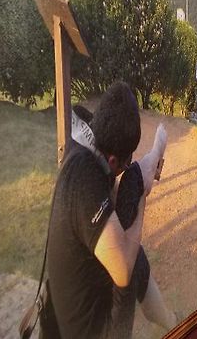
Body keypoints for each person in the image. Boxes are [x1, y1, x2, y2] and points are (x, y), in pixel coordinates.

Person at [46, 82, 176, 338]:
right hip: (91, 330)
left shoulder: (87, 145)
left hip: (81, 298)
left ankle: (172, 321)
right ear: (113, 160)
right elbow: (123, 271)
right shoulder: (84, 180)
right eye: (125, 163)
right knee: (129, 258)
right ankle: (144, 170)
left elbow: (112, 205)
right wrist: (142, 193)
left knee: (135, 251)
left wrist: (134, 177)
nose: (123, 168)